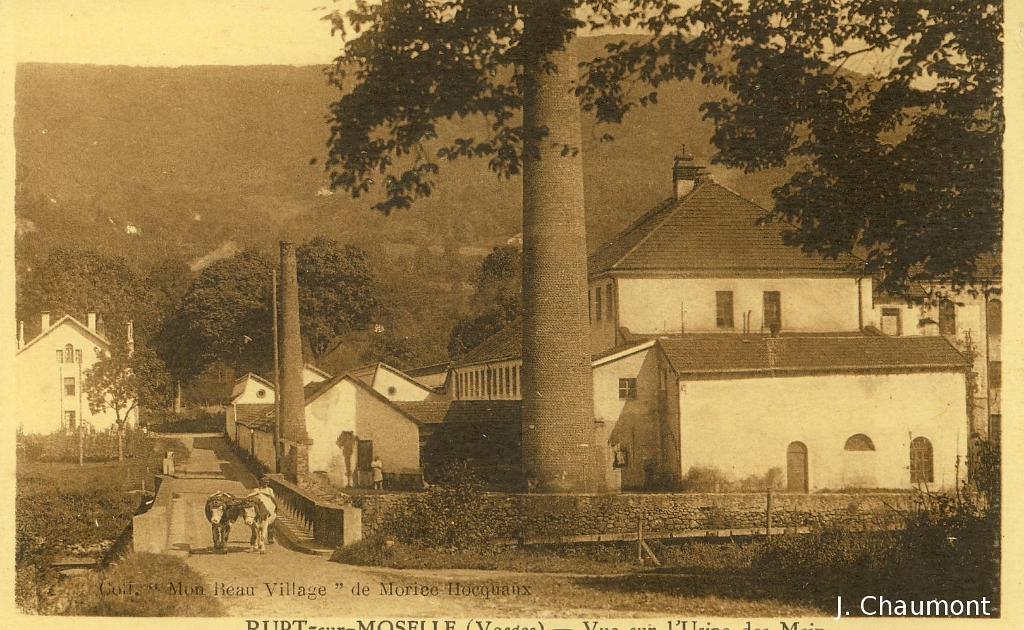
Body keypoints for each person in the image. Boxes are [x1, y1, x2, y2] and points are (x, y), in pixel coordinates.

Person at [250, 476, 277, 544]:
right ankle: (254, 536)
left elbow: (272, 498)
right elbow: (252, 496)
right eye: (264, 483)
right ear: (260, 483)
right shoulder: (256, 490)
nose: (265, 484)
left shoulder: (269, 490)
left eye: (266, 483)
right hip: (259, 506)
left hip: (268, 506)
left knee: (271, 522)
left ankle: (270, 537)